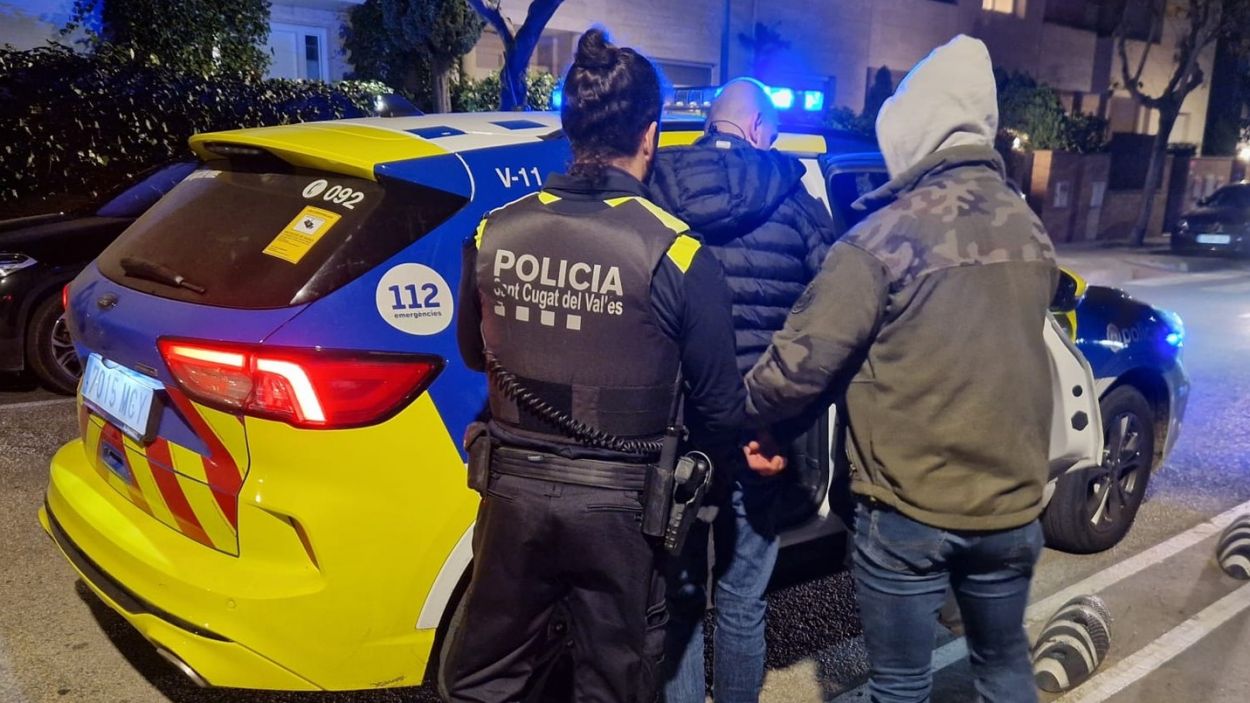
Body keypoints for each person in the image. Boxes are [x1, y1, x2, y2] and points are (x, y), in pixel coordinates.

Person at [742, 35, 1058, 703]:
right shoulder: (1027, 227)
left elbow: (800, 364)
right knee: (1004, 668)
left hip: (911, 510)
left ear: (914, 129)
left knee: (901, 685)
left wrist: (737, 410)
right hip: (1013, 507)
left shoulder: (884, 237)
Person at [441, 28, 745, 703]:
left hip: (513, 498)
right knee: (614, 683)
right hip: (624, 516)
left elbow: (472, 352)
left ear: (569, 128)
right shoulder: (678, 252)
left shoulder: (496, 229)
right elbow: (723, 408)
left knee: (486, 678)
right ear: (651, 133)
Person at [648, 77, 838, 703]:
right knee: (742, 596)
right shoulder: (793, 197)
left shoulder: (658, 189)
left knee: (679, 599)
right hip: (761, 429)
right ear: (757, 129)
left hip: (677, 430)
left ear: (713, 122)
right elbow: (833, 309)